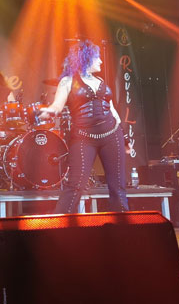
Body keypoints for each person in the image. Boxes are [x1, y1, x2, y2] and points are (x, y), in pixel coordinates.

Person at [40, 40, 129, 213]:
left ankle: (123, 224)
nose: (101, 61)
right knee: (75, 184)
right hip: (83, 138)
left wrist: (124, 137)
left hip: (112, 134)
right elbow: (57, 105)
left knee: (118, 185)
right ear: (86, 58)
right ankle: (59, 225)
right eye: (97, 57)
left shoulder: (100, 80)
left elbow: (112, 110)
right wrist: (49, 111)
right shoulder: (67, 81)